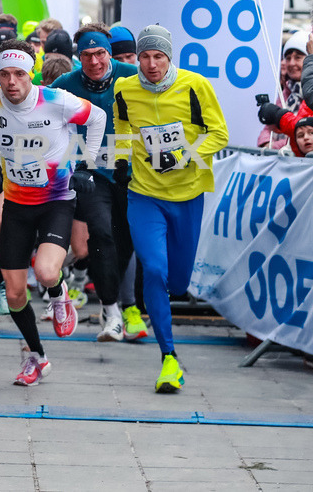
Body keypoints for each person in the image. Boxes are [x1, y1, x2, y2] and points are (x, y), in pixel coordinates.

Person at [0, 40, 106, 386]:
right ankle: (36, 357)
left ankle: (59, 295)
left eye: (18, 74)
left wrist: (87, 166)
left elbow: (98, 117)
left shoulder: (55, 101)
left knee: (45, 272)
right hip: (17, 203)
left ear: (31, 74)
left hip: (57, 200)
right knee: (14, 294)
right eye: (4, 74)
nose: (11, 82)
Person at [113, 25, 228, 393]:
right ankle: (169, 358)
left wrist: (185, 155)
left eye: (158, 56)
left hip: (188, 195)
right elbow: (123, 127)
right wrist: (116, 161)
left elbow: (219, 132)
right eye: (144, 56)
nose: (150, 64)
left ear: (169, 57)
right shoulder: (125, 88)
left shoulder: (194, 85)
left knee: (176, 282)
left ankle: (168, 323)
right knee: (155, 271)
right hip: (144, 195)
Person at [52, 26, 140, 342]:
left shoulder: (133, 74)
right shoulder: (66, 84)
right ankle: (111, 310)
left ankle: (121, 304)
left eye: (100, 53)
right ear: (79, 58)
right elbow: (45, 118)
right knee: (100, 234)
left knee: (127, 240)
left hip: (132, 173)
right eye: (87, 55)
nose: (94, 61)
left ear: (109, 54)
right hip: (90, 175)